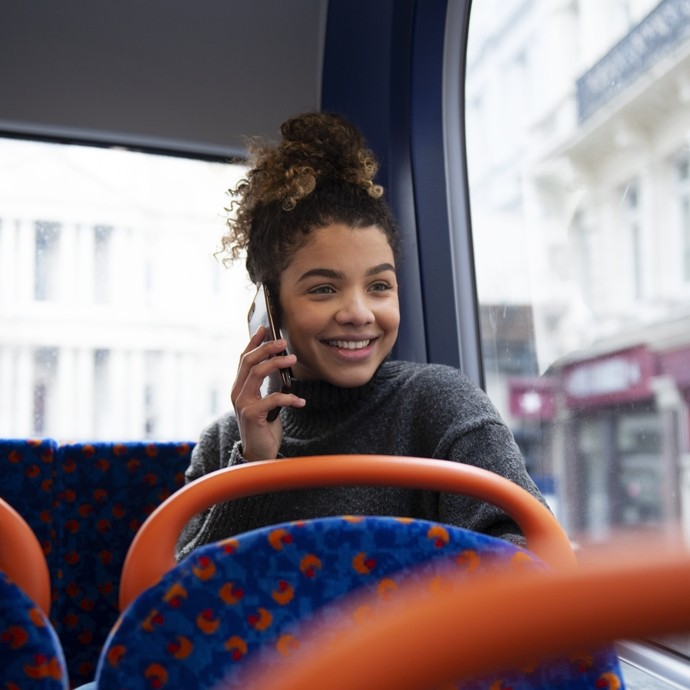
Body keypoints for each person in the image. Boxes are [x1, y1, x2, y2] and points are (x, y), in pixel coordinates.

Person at [176, 112, 547, 561]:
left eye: (379, 286)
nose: (358, 312)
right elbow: (179, 607)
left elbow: (533, 553)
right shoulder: (223, 445)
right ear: (269, 310)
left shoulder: (440, 406)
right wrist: (254, 469)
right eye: (324, 289)